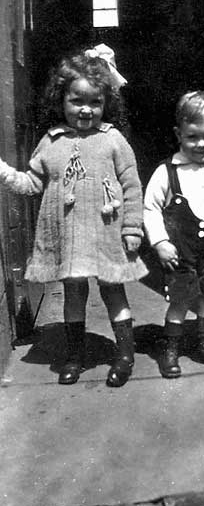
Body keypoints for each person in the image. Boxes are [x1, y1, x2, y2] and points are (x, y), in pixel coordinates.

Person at [0, 49, 147, 387]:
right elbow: (32, 183)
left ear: (105, 103)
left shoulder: (113, 140)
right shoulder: (51, 142)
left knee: (113, 291)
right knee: (74, 293)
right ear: (61, 100)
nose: (85, 109)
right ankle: (75, 355)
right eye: (76, 100)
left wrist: (132, 227)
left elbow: (131, 186)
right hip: (70, 236)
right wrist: (6, 174)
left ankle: (124, 355)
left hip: (106, 232)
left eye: (94, 102)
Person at [143, 91, 204, 378]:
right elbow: (151, 208)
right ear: (178, 134)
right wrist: (160, 241)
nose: (201, 144)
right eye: (192, 137)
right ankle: (171, 348)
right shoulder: (167, 171)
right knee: (179, 301)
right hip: (180, 254)